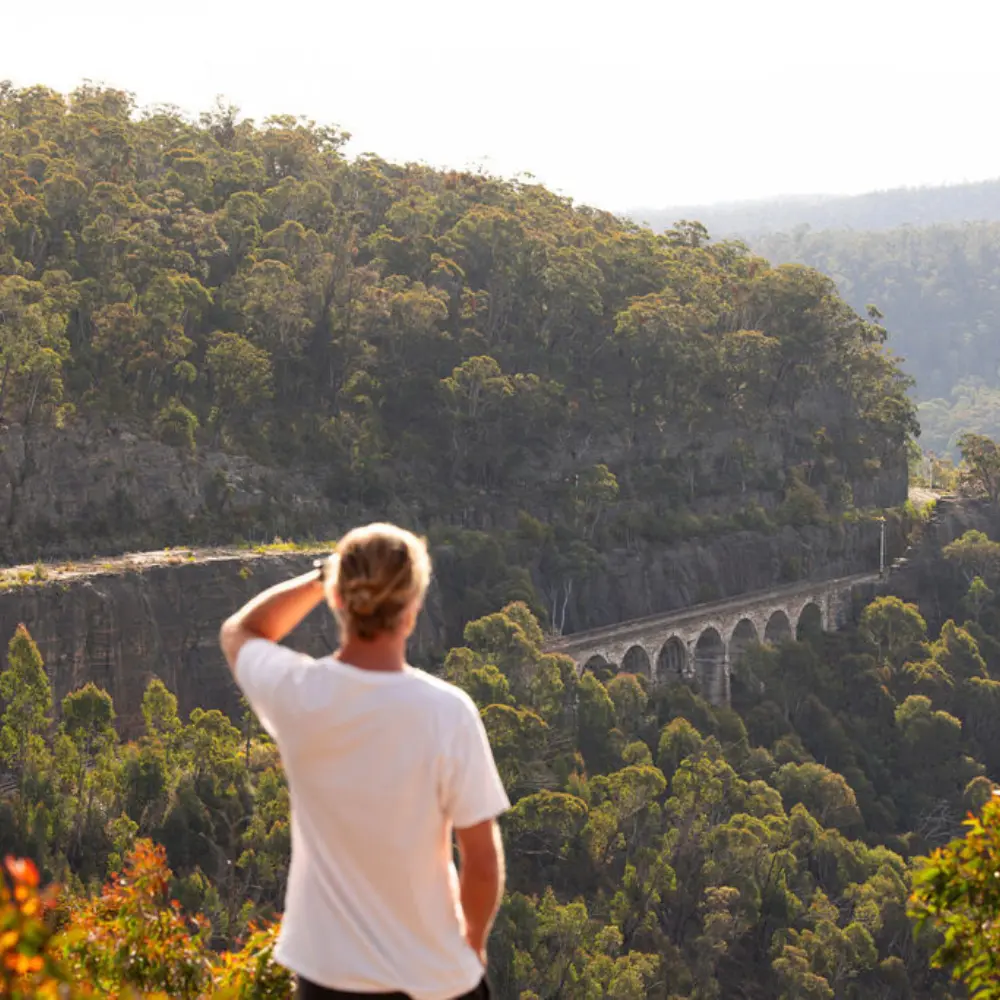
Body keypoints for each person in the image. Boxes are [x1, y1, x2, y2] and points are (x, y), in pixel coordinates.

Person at [219, 523, 509, 1000]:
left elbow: (242, 630)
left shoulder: (299, 696)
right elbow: (480, 858)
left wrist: (321, 575)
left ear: (338, 599)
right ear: (413, 608)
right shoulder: (447, 713)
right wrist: (472, 944)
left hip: (329, 979)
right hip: (434, 979)